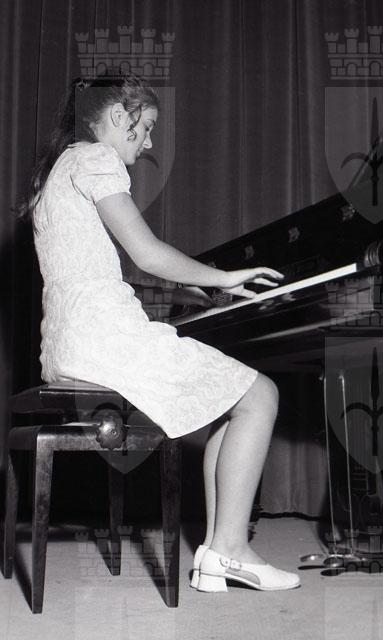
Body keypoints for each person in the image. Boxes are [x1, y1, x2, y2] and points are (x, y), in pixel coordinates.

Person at [19, 75, 300, 592]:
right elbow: (146, 252)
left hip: (67, 344)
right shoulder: (97, 158)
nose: (148, 143)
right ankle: (231, 551)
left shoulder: (60, 168)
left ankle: (216, 554)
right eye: (145, 126)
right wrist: (223, 277)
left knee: (232, 398)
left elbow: (96, 266)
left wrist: (188, 288)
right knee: (261, 394)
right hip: (106, 340)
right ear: (117, 117)